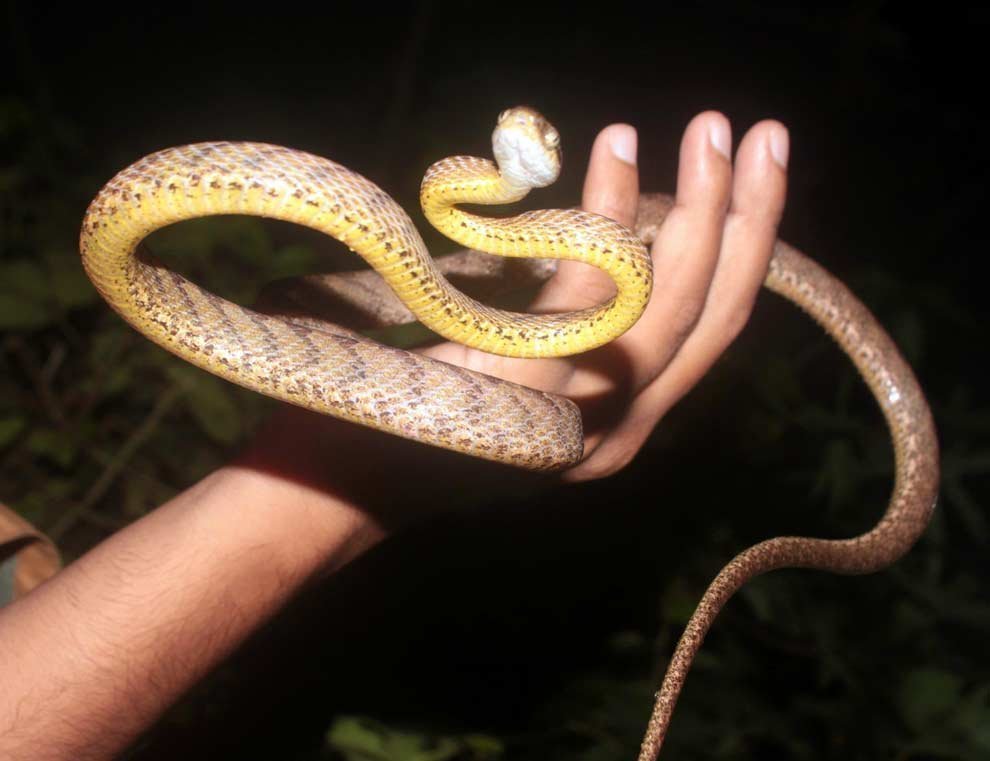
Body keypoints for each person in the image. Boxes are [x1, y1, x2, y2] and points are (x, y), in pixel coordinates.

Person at [0, 112, 789, 760]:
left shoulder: (493, 220)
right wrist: (361, 479)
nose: (524, 127)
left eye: (543, 131)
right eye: (513, 122)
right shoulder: (449, 194)